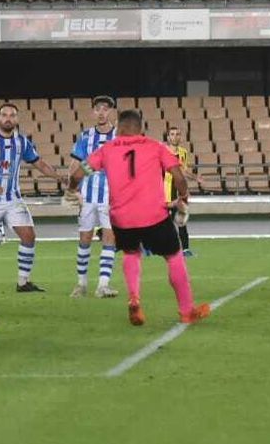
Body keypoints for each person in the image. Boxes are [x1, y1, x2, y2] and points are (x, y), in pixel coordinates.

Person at [68, 108, 208, 327]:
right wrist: (183, 198)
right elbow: (179, 177)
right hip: (154, 216)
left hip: (121, 219)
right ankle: (186, 310)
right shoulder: (156, 147)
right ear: (140, 128)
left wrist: (72, 190)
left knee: (131, 254)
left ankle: (134, 298)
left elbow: (77, 173)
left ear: (119, 128)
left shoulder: (106, 149)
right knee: (173, 256)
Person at [0, 103, 64, 294]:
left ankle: (23, 283)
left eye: (12, 115)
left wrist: (58, 177)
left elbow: (39, 163)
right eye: (4, 115)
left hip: (13, 200)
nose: (8, 118)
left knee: (29, 237)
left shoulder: (22, 142)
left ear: (17, 119)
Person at [69, 94, 119, 299]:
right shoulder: (85, 136)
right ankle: (81, 284)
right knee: (85, 238)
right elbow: (75, 164)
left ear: (111, 112)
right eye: (98, 108)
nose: (101, 112)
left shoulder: (119, 137)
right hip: (87, 195)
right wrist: (72, 190)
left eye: (105, 109)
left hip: (111, 194)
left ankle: (103, 285)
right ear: (93, 112)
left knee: (110, 237)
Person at [163, 124, 196, 258]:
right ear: (168, 137)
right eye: (172, 134)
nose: (175, 137)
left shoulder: (183, 152)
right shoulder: (162, 151)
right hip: (166, 192)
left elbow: (183, 171)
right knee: (163, 223)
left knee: (182, 220)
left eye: (177, 134)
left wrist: (193, 179)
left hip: (179, 191)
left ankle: (185, 249)